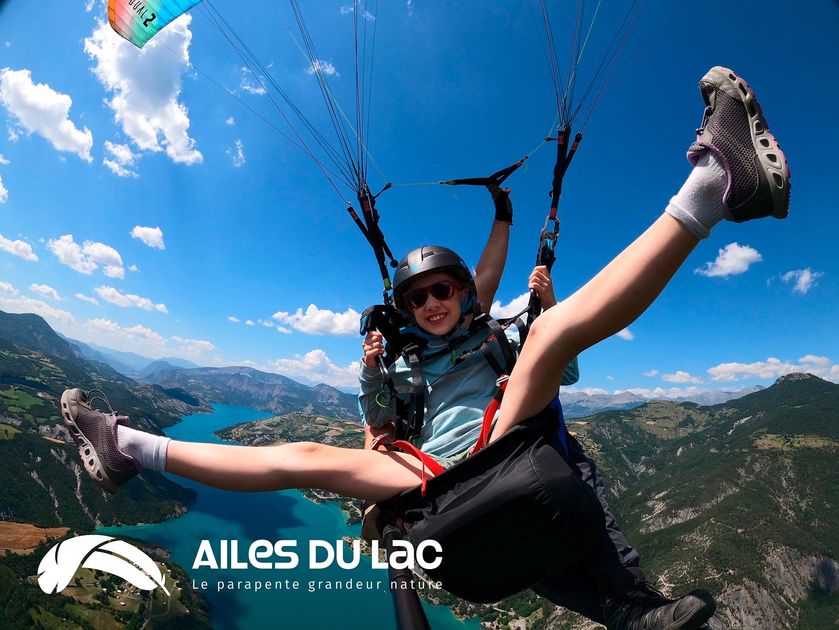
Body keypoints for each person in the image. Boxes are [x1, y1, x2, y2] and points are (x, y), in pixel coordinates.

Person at [59, 67, 788, 630]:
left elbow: (546, 350)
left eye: (445, 291)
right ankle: (128, 447)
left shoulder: (497, 334)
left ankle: (715, 184)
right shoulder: (402, 364)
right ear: (405, 310)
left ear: (465, 296)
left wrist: (516, 249)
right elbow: (376, 428)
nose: (433, 303)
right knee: (307, 456)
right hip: (432, 470)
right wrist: (372, 373)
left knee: (547, 336)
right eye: (418, 298)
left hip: (505, 434)